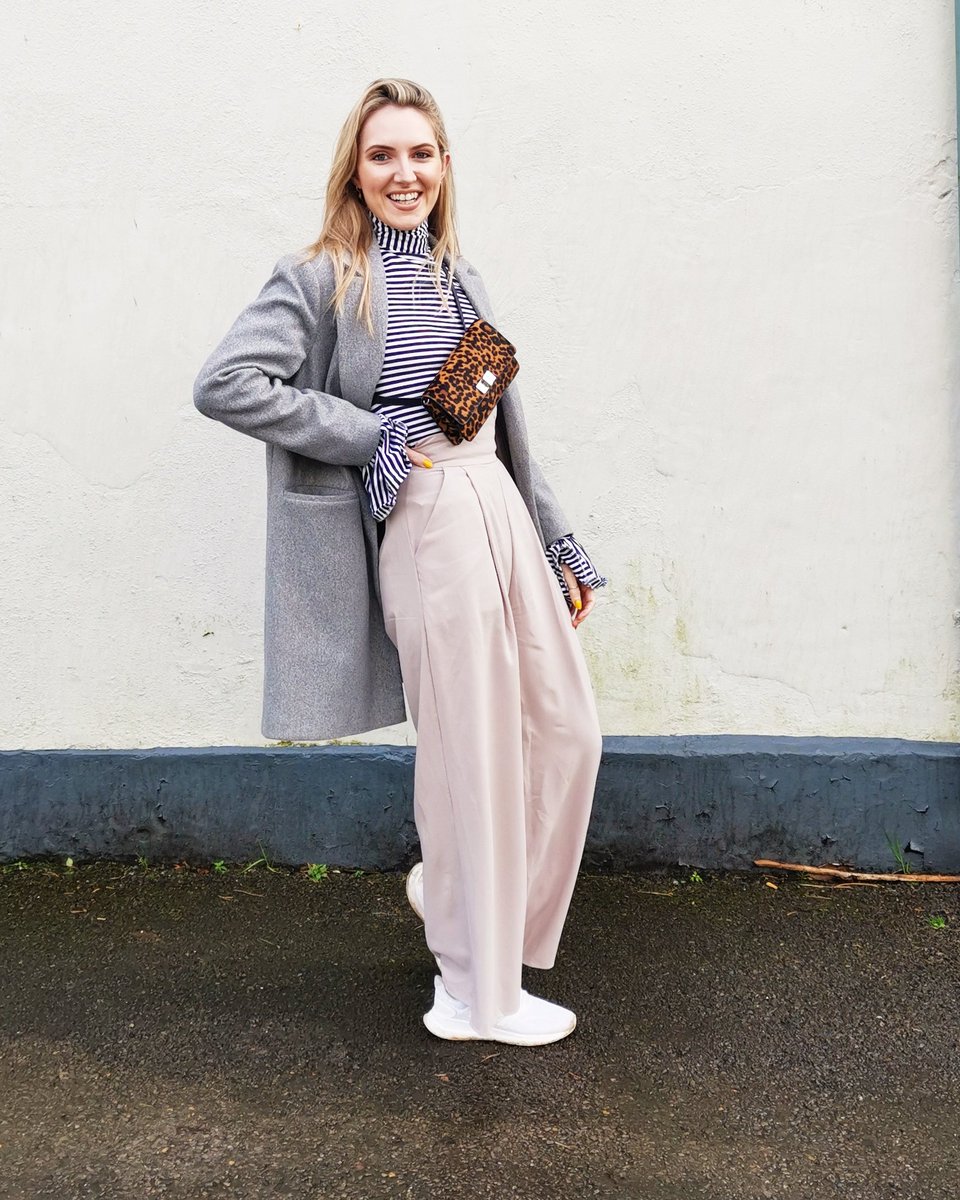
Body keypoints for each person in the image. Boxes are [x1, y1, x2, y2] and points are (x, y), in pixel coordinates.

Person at [193, 78, 607, 1046]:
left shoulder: (460, 276)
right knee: (469, 750)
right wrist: (362, 433)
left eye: (420, 153)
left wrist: (555, 539)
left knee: (568, 732)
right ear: (355, 170)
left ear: (445, 166)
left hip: (496, 504)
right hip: (424, 522)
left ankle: (458, 901)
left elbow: (499, 424)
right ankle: (472, 992)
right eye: (383, 155)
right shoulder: (320, 277)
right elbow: (226, 383)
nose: (403, 172)